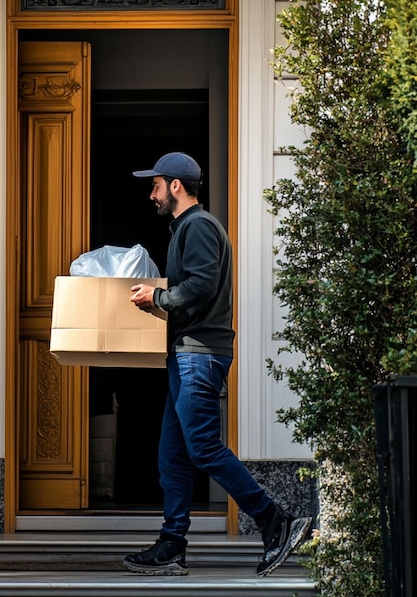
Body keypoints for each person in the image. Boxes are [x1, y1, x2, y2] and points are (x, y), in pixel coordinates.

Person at [124, 152, 312, 577]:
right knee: (171, 455)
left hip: (199, 355)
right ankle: (173, 544)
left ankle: (275, 522)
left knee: (204, 447)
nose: (150, 193)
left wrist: (157, 298)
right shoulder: (184, 229)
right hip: (185, 354)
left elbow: (202, 285)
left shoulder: (199, 226)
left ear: (176, 186)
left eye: (154, 185)